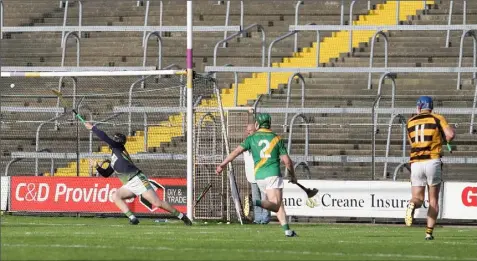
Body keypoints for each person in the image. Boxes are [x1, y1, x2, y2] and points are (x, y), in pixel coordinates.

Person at [84, 122, 192, 226]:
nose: (111, 141)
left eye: (114, 140)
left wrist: (93, 128)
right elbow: (106, 174)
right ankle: (133, 218)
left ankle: (182, 216)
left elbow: (105, 137)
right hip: (129, 185)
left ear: (116, 141)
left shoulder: (118, 148)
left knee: (157, 203)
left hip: (137, 179)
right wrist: (97, 166)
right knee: (115, 196)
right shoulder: (114, 157)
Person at [216, 113, 298, 237]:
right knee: (276, 204)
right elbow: (287, 161)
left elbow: (236, 151)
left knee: (278, 203)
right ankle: (256, 202)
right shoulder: (276, 138)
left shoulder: (251, 138)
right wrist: (293, 176)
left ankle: (287, 231)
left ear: (257, 124)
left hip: (259, 176)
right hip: (273, 175)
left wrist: (223, 164)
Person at [405, 96, 455, 240]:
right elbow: (450, 135)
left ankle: (411, 205)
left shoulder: (410, 122)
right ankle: (428, 233)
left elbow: (412, 143)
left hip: (416, 163)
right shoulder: (437, 118)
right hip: (432, 161)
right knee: (433, 200)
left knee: (417, 198)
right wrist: (447, 136)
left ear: (419, 107)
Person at [243, 123, 270, 224]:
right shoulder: (247, 141)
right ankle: (258, 218)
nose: (248, 132)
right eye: (247, 130)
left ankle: (265, 217)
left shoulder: (260, 141)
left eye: (250, 130)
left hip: (262, 173)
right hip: (251, 174)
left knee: (264, 196)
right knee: (256, 197)